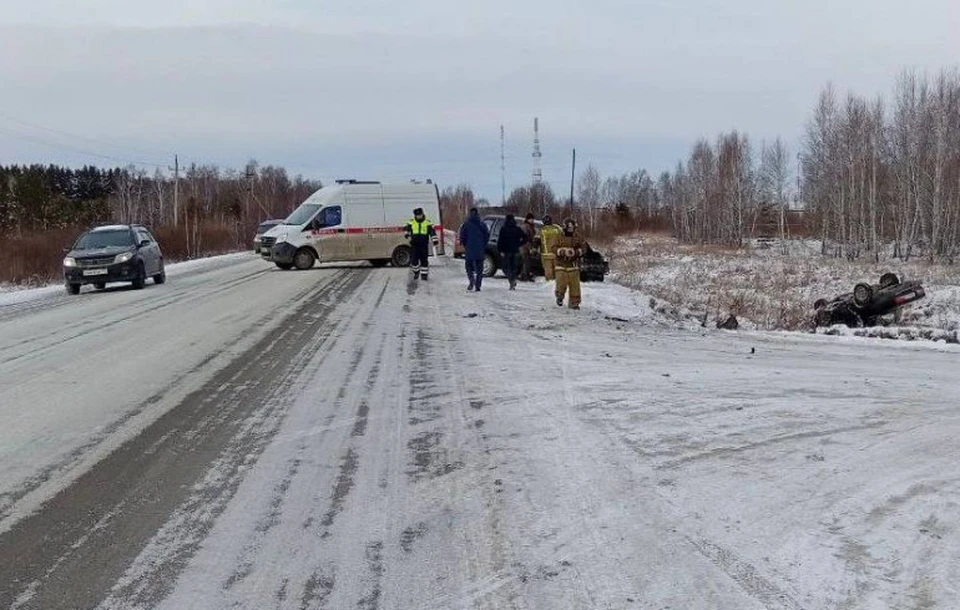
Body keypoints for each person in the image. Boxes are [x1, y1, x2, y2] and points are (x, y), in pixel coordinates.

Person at [552, 217, 586, 309]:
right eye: (569, 227)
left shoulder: (578, 236)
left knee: (575, 286)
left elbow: (584, 248)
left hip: (573, 264)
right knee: (561, 283)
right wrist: (563, 251)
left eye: (572, 227)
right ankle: (559, 296)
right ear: (565, 227)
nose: (571, 229)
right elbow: (553, 247)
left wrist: (576, 252)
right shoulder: (558, 236)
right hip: (560, 264)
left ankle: (574, 303)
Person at [458, 208, 490, 291]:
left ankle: (471, 280)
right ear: (477, 214)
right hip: (480, 249)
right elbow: (487, 236)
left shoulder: (466, 224)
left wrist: (465, 245)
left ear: (470, 214)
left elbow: (462, 237)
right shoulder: (482, 224)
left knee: (468, 266)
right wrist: (483, 245)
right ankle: (478, 286)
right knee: (480, 269)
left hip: (469, 249)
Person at [404, 207, 439, 281]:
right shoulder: (411, 222)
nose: (419, 216)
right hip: (414, 244)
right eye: (417, 215)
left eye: (420, 215)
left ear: (422, 214)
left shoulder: (428, 222)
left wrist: (434, 240)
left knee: (424, 260)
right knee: (414, 260)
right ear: (415, 215)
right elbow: (407, 229)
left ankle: (424, 275)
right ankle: (416, 272)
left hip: (424, 244)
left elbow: (432, 232)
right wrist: (407, 234)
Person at [496, 214, 528, 290]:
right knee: (514, 267)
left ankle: (511, 281)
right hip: (515, 250)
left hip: (506, 251)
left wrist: (500, 250)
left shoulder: (503, 229)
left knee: (507, 268)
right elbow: (525, 237)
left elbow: (500, 241)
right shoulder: (517, 229)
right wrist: (519, 244)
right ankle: (513, 280)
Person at [538, 214, 562, 281]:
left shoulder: (542, 229)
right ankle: (558, 281)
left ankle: (550, 282)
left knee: (548, 270)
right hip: (556, 253)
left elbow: (539, 240)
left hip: (546, 254)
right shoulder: (557, 228)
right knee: (557, 269)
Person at [520, 212, 537, 281]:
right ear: (528, 219)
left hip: (527, 246)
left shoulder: (530, 226)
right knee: (526, 262)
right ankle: (525, 276)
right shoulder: (525, 227)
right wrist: (530, 248)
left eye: (533, 219)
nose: (532, 220)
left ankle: (525, 275)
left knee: (527, 261)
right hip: (524, 247)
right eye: (531, 219)